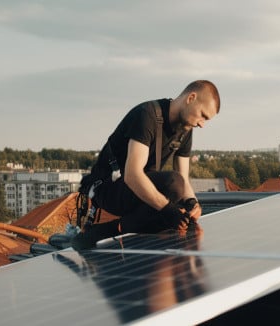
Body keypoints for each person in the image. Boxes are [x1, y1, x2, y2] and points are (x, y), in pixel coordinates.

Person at [71, 80, 220, 250]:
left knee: (181, 205)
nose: (202, 124)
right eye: (203, 115)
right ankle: (104, 231)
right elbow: (132, 175)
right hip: (107, 189)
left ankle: (127, 230)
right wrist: (167, 209)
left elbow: (184, 178)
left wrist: (192, 203)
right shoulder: (148, 115)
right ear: (191, 98)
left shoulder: (184, 130)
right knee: (173, 185)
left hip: (135, 190)